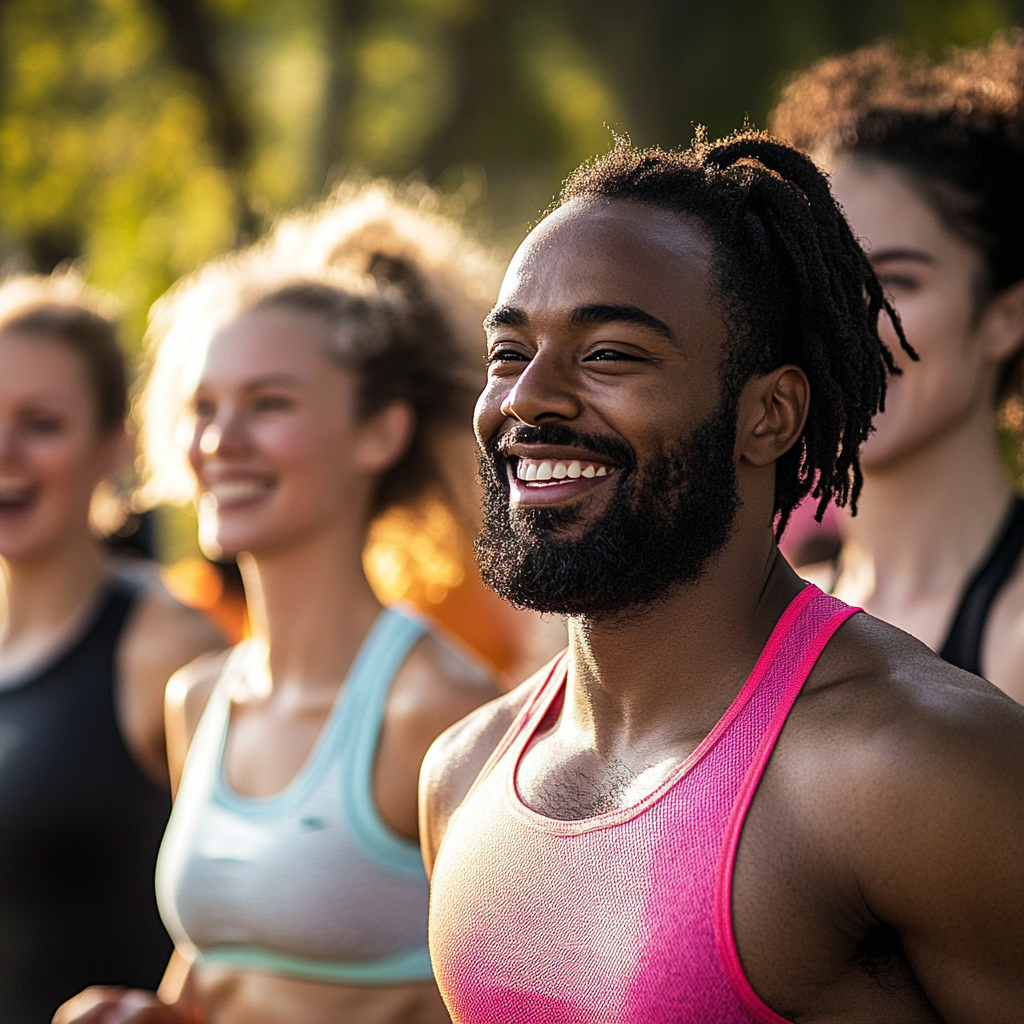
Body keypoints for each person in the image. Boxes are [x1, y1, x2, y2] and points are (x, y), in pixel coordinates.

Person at [420, 132, 1024, 1023]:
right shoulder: (460, 774)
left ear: (769, 415)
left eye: (610, 354)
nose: (527, 397)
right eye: (509, 354)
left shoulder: (916, 767)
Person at [56, 186, 500, 1024]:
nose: (222, 441)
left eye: (270, 405)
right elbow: (222, 965)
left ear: (382, 433)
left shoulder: (440, 712)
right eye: (205, 408)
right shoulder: (198, 699)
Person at [769, 38, 1024, 701]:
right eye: (824, 281)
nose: (848, 324)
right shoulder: (762, 620)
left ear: (1006, 317)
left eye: (897, 281)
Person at [0, 273, 224, 1023]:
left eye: (42, 423)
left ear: (110, 448)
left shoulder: (170, 651)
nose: (5, 451)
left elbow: (248, 916)